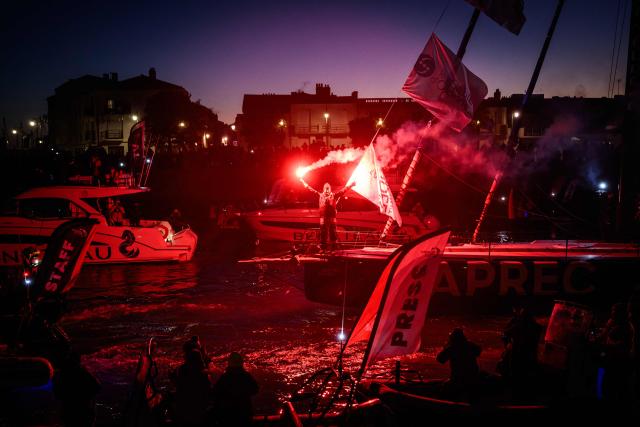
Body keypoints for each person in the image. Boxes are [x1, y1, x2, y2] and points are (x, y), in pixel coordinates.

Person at [299, 178, 355, 251]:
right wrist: (303, 181)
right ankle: (323, 248)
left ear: (330, 189)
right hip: (323, 218)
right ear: (323, 189)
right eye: (326, 188)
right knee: (323, 233)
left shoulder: (334, 195)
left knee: (333, 233)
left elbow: (343, 190)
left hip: (332, 218)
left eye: (328, 188)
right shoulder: (320, 195)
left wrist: (351, 185)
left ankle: (334, 249)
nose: (327, 190)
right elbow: (310, 189)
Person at [498, 306, 542, 392]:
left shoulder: (518, 326)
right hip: (530, 354)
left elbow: (505, 334)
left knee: (515, 373)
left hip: (518, 354)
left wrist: (507, 345)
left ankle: (514, 388)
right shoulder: (537, 327)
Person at [53, 351, 101, 427]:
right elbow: (97, 388)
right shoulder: (84, 374)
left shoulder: (62, 375)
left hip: (69, 411)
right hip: (84, 411)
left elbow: (57, 393)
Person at [211, 352, 259, 427]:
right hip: (244, 412)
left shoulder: (225, 377)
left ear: (229, 363)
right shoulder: (246, 376)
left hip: (228, 414)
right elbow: (255, 389)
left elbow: (215, 393)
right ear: (241, 362)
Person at [436, 328, 482, 396]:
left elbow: (440, 359)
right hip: (473, 378)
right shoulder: (470, 345)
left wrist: (446, 347)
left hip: (458, 379)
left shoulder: (452, 348)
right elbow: (479, 351)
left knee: (443, 390)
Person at [174, 349, 213, 427]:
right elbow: (207, 390)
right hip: (199, 408)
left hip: (184, 407)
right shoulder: (203, 373)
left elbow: (179, 386)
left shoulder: (182, 370)